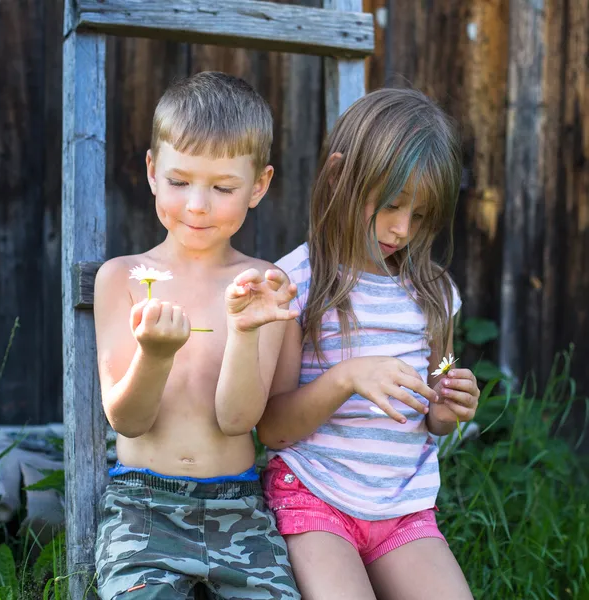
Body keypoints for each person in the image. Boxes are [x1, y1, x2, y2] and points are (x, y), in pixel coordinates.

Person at [257, 88, 480, 600]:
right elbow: (273, 428)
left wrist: (448, 404)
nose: (403, 229)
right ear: (339, 177)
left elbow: (437, 390)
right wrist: (347, 377)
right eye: (392, 205)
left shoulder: (435, 295)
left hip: (404, 507)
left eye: (421, 215)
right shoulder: (297, 285)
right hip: (316, 499)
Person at [93, 71, 301, 600]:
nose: (198, 205)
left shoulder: (265, 286)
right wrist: (155, 355)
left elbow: (238, 421)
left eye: (223, 187)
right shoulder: (122, 279)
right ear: (151, 171)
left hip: (238, 506)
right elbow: (128, 420)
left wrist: (243, 330)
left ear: (259, 185)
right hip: (143, 509)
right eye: (180, 180)